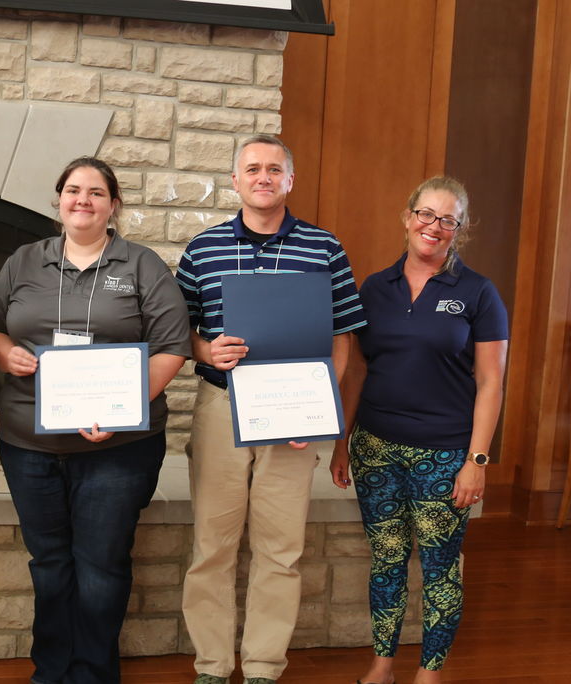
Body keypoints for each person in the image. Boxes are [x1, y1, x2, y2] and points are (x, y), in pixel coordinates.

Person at [0, 156, 191, 684]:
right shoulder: (26, 260)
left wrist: (122, 410)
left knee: (101, 568)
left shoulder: (142, 266)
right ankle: (51, 672)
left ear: (113, 205)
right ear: (58, 200)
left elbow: (171, 348)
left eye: (96, 192)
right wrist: (6, 355)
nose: (83, 200)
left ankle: (94, 674)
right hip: (29, 444)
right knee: (49, 565)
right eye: (73, 190)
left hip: (116, 449)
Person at [177, 135, 367, 684]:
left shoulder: (325, 248)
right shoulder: (203, 248)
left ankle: (262, 668)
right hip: (221, 406)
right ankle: (212, 667)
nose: (263, 177)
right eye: (252, 168)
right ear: (235, 180)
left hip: (295, 418)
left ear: (290, 180)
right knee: (212, 546)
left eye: (274, 169)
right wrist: (206, 349)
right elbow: (180, 331)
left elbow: (341, 339)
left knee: (281, 550)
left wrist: (312, 410)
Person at [328, 176, 508, 684]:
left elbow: (491, 383)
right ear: (407, 217)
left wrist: (477, 461)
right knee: (385, 561)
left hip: (445, 455)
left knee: (440, 569)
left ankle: (428, 674)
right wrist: (343, 440)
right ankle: (382, 664)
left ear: (459, 230)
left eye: (447, 220)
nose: (434, 226)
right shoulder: (374, 287)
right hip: (375, 448)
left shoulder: (478, 293)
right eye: (426, 214)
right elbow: (359, 369)